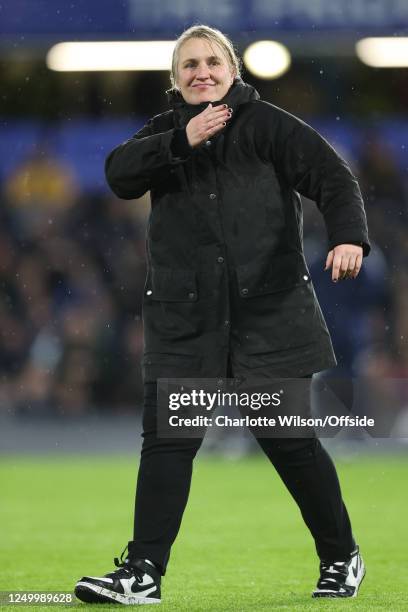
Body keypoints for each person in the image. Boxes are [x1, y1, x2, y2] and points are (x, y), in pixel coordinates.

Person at [75, 24, 370, 604]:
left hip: (268, 314)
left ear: (233, 70)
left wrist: (350, 238)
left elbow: (333, 178)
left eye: (212, 61)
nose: (201, 72)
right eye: (189, 65)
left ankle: (341, 557)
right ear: (175, 78)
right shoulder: (164, 131)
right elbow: (117, 176)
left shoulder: (269, 126)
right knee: (168, 441)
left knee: (285, 439)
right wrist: (181, 141)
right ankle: (142, 574)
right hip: (189, 322)